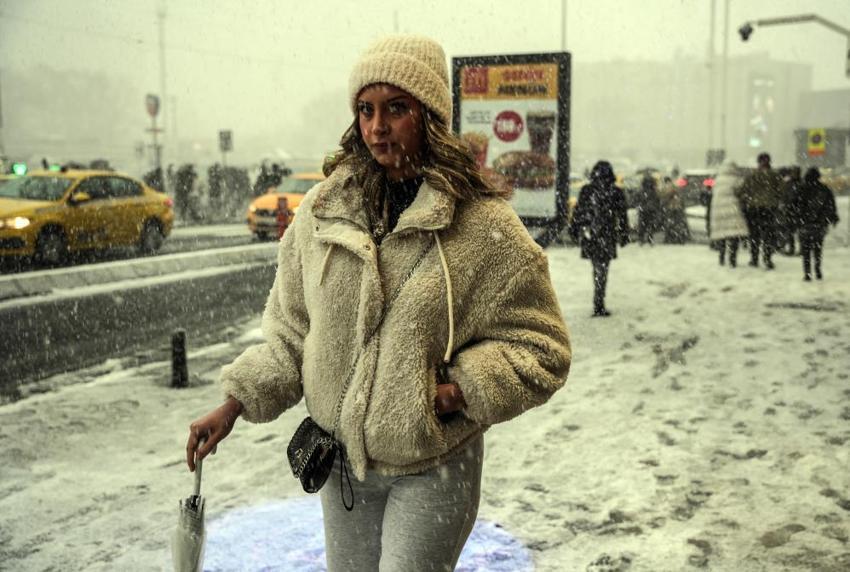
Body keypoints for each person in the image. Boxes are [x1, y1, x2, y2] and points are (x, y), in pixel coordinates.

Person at [184, 35, 571, 572]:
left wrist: (460, 390)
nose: (377, 126)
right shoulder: (322, 212)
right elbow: (293, 334)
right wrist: (235, 402)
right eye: (366, 109)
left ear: (429, 116)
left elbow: (542, 346)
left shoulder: (483, 225)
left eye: (396, 108)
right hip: (343, 466)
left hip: (432, 469)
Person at [570, 160, 629, 316]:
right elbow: (622, 216)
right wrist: (623, 234)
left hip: (591, 234)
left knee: (597, 267)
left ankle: (598, 299)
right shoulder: (616, 192)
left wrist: (574, 230)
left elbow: (578, 212)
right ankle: (599, 300)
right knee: (603, 268)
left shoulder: (587, 190)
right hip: (607, 234)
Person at [790, 167, 839, 281]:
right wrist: (832, 218)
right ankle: (818, 270)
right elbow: (830, 206)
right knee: (818, 248)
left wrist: (795, 219)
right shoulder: (824, 189)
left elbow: (794, 206)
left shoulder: (801, 189)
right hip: (820, 224)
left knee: (806, 250)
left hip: (804, 224)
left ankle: (807, 273)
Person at [736, 152, 783, 269]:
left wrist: (747, 200)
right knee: (768, 234)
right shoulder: (775, 175)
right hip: (770, 208)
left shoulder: (752, 175)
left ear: (758, 162)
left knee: (754, 235)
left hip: (754, 208)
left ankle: (754, 258)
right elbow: (781, 191)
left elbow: (742, 191)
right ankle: (767, 258)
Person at [708, 161, 749, 267]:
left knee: (722, 234)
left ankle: (721, 257)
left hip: (718, 209)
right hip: (732, 208)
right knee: (733, 234)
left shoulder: (718, 180)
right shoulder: (736, 180)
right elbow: (741, 192)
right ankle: (732, 259)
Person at [657, 176, 690, 244]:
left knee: (670, 223)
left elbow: (665, 196)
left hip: (671, 207)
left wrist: (662, 202)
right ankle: (679, 238)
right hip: (677, 207)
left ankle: (670, 238)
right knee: (677, 223)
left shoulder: (668, 187)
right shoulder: (675, 186)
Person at [635, 173, 662, 245]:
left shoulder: (641, 191)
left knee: (642, 224)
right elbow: (658, 200)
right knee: (650, 224)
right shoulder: (654, 191)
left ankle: (641, 239)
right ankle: (650, 238)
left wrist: (639, 205)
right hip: (651, 209)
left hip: (643, 209)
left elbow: (637, 199)